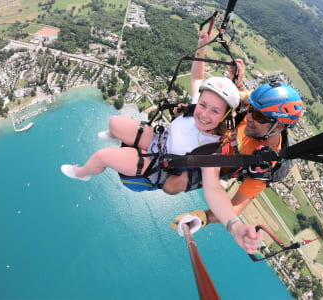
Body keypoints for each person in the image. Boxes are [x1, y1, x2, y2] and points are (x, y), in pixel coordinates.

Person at [60, 31, 263, 253]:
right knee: (114, 122)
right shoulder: (197, 106)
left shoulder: (211, 149)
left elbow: (213, 189)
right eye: (203, 105)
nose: (204, 114)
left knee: (103, 156)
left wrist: (234, 226)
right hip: (160, 140)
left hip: (156, 164)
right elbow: (196, 78)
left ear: (224, 116)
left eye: (215, 111)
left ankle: (82, 173)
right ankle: (116, 134)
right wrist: (201, 46)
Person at [170, 32, 304, 234]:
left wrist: (202, 217)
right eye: (250, 110)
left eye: (258, 117)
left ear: (278, 127)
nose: (249, 117)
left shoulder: (263, 166)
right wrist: (236, 84)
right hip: (215, 144)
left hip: (216, 166)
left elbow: (234, 207)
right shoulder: (260, 106)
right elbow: (216, 92)